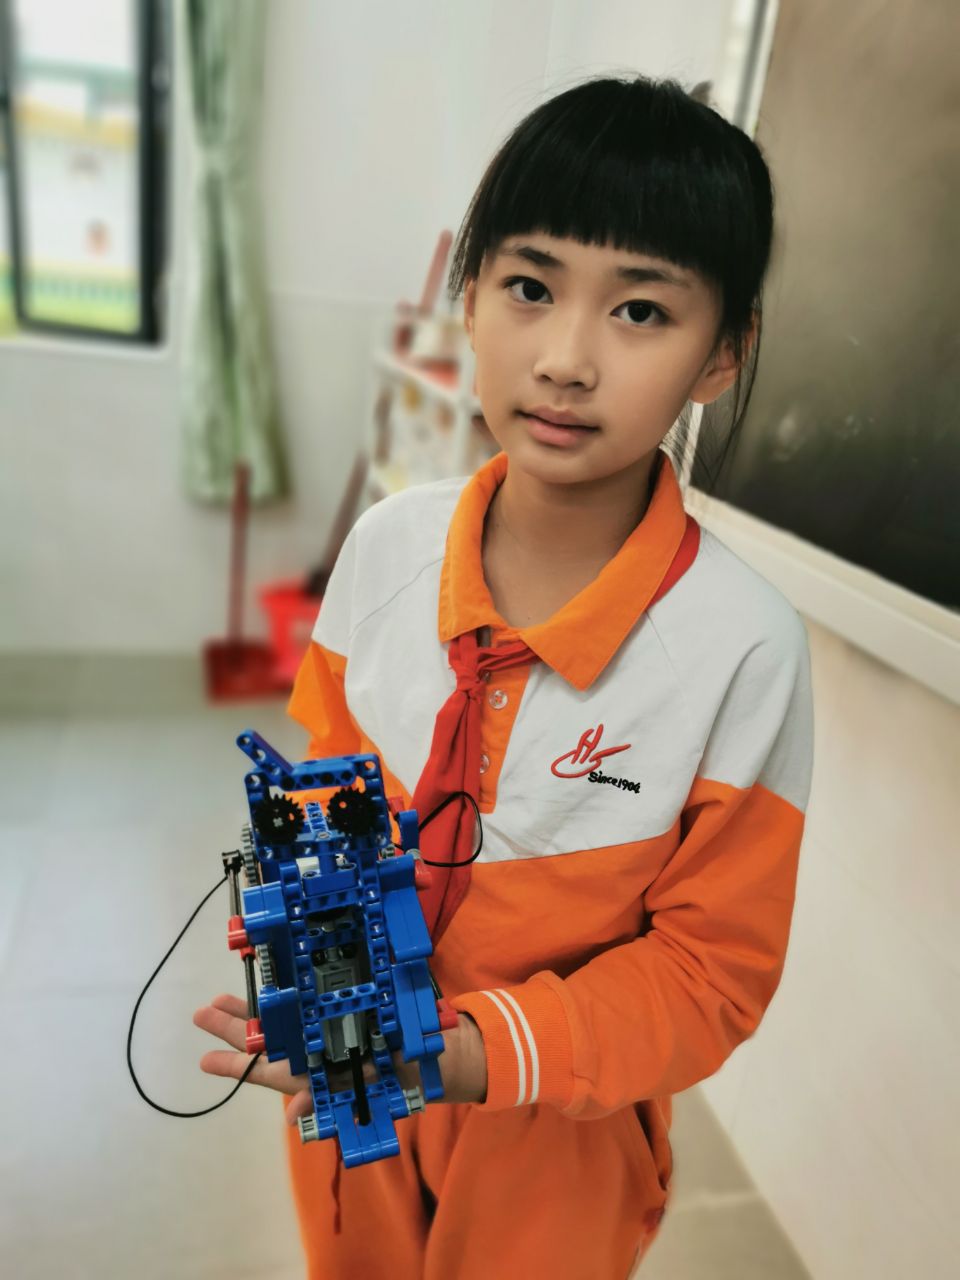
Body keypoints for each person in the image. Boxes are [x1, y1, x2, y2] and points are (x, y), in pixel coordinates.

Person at [194, 73, 814, 1279]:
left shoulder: (745, 645)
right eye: (531, 287)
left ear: (723, 354)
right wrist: (315, 968)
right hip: (356, 1090)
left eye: (641, 310)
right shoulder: (386, 547)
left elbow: (711, 973)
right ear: (469, 296)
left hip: (559, 1125)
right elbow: (321, 791)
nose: (567, 360)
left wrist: (464, 1051)